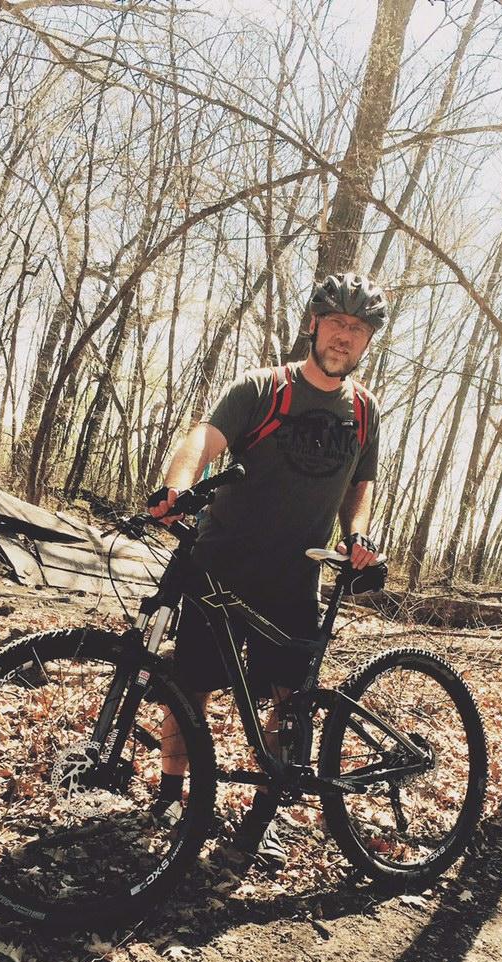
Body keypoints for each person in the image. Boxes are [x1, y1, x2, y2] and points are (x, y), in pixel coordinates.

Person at [147, 272, 387, 867]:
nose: (345, 336)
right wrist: (177, 486)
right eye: (337, 323)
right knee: (189, 685)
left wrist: (357, 534)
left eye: (358, 329)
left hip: (295, 578)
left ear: (366, 342)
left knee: (289, 702)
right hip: (221, 564)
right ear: (313, 324)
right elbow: (203, 439)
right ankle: (172, 797)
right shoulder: (262, 387)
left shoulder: (363, 409)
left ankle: (264, 814)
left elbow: (361, 484)